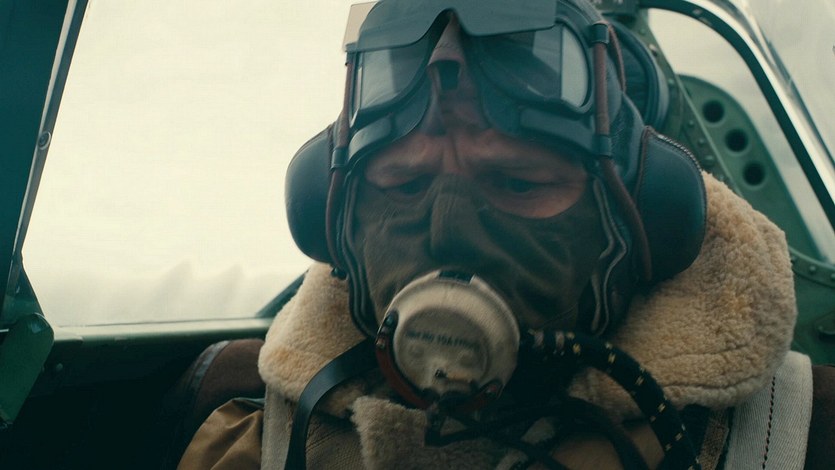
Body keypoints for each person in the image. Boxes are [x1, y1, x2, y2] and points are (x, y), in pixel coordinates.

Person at [178, 0, 834, 468]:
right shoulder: (243, 424)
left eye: (518, 182)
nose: (447, 232)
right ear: (332, 224)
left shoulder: (800, 435)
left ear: (640, 222)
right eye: (405, 184)